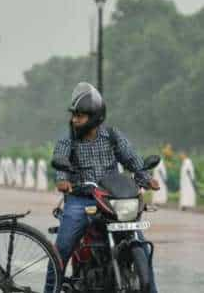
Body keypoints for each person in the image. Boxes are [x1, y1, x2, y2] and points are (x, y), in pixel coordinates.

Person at [44, 82, 160, 293]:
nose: (74, 120)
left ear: (95, 117)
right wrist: (63, 180)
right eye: (74, 115)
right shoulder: (68, 139)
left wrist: (145, 177)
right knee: (60, 251)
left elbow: (132, 159)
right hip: (82, 199)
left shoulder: (113, 137)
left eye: (80, 116)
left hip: (112, 200)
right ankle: (49, 290)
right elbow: (60, 158)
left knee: (141, 246)